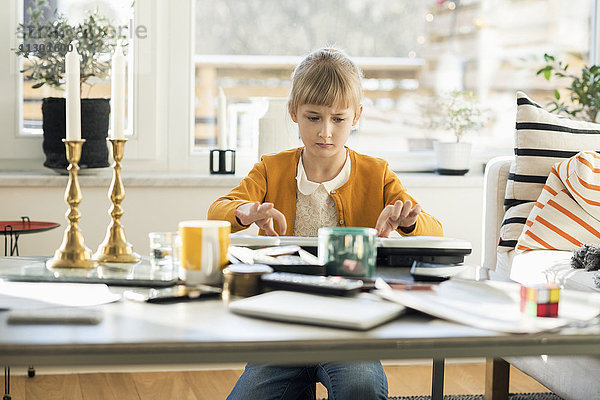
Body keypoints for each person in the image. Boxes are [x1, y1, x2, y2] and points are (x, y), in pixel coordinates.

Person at [208, 48, 443, 400]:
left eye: (339, 119)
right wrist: (245, 214)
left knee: (361, 387)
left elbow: (434, 230)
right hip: (284, 323)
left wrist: (408, 222)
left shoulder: (376, 173)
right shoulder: (271, 168)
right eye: (313, 117)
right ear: (294, 113)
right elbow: (217, 211)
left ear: (357, 116)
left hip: (350, 326)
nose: (326, 132)